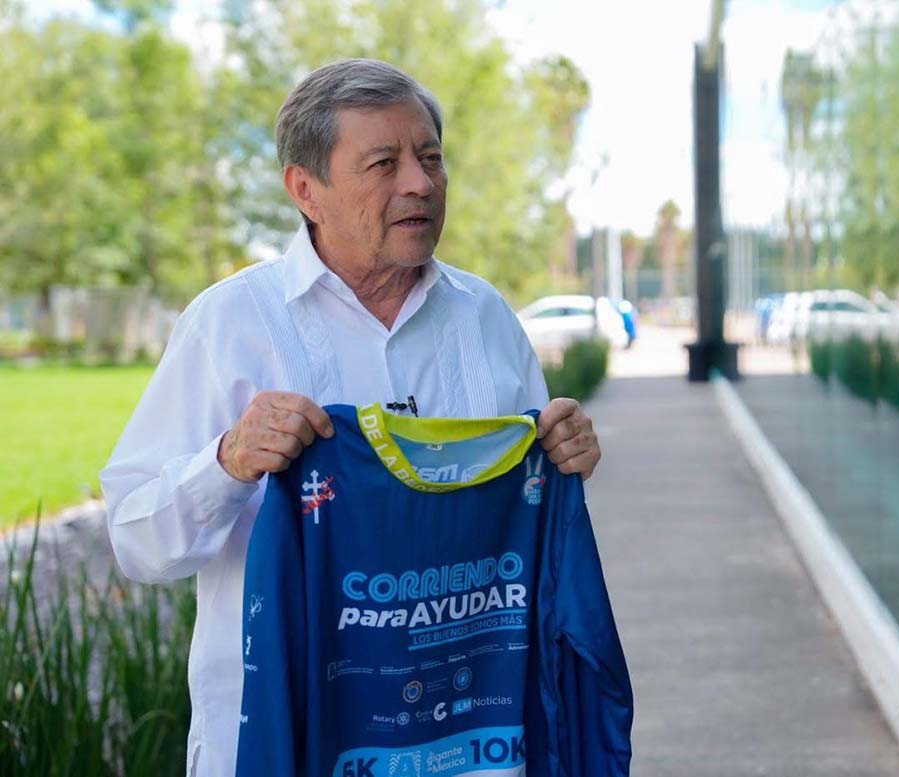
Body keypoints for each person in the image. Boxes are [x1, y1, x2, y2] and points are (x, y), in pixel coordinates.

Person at [99, 58, 602, 777]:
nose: (420, 183)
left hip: (473, 742)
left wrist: (564, 453)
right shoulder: (229, 323)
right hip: (285, 740)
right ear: (306, 189)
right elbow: (136, 543)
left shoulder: (486, 317)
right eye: (384, 163)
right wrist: (228, 461)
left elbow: (522, 516)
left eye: (431, 158)